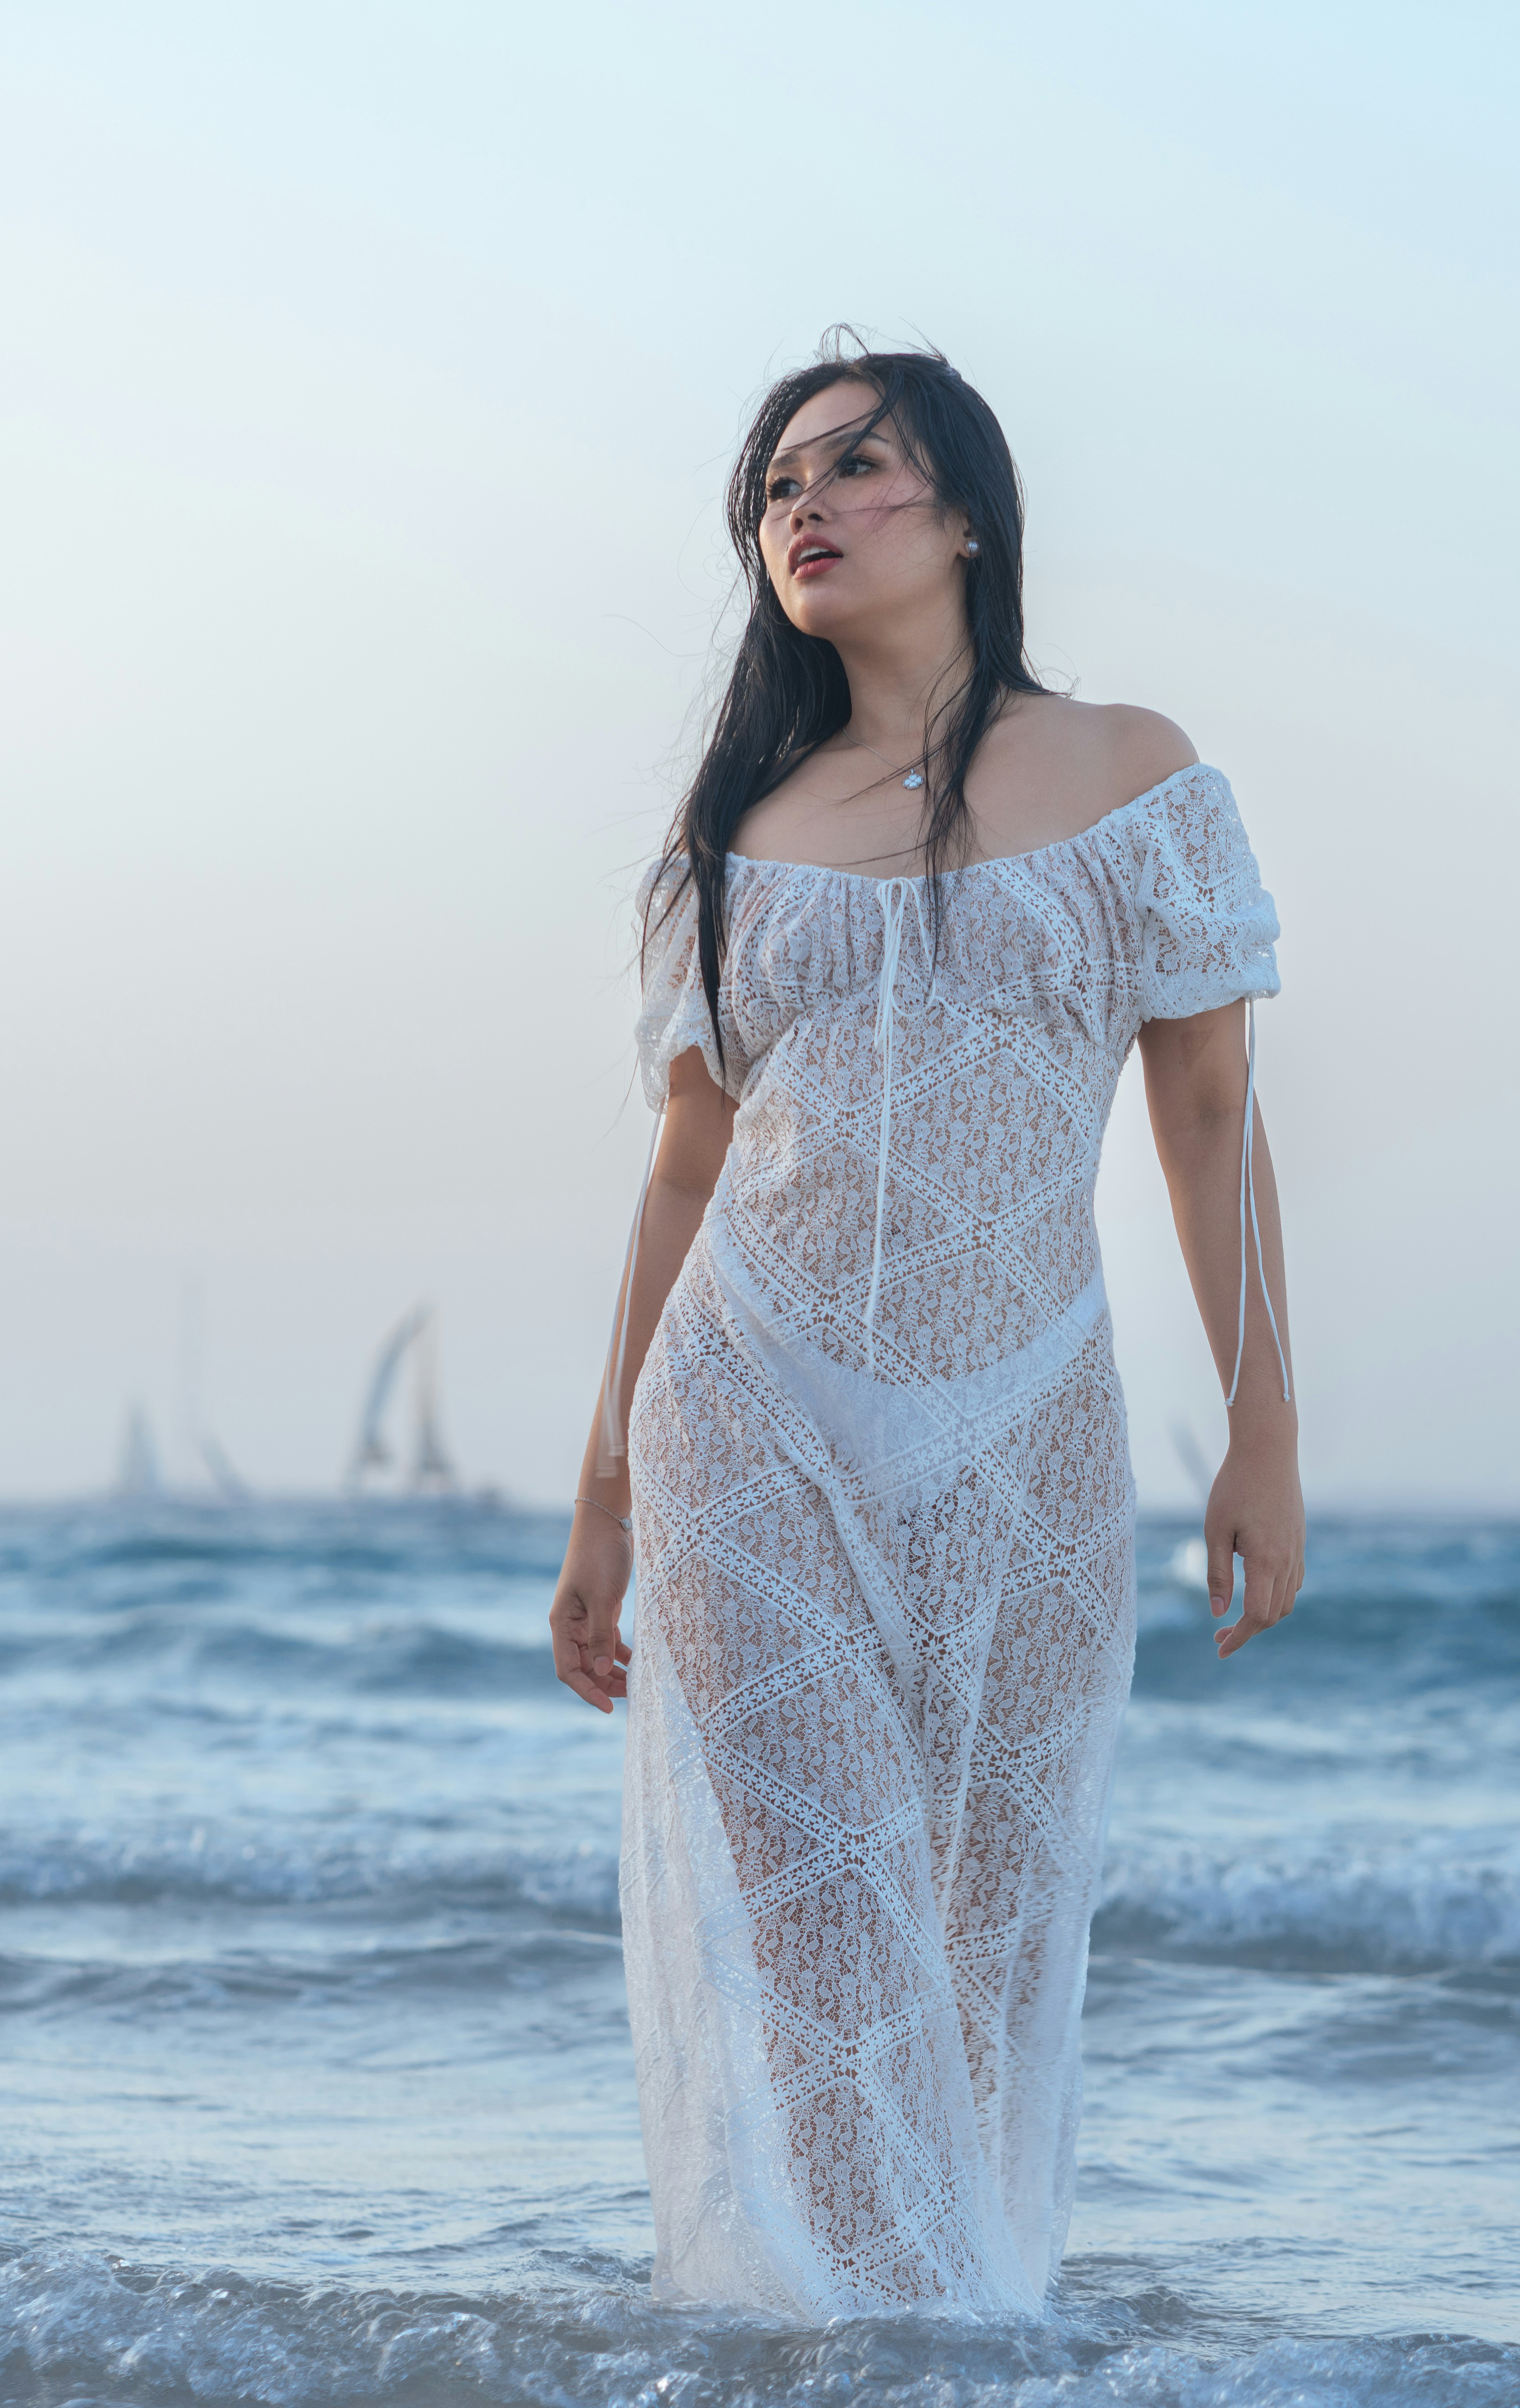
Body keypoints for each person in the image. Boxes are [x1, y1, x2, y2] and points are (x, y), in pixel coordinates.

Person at [546, 340, 1305, 2319]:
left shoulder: (1133, 775)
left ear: (965, 510)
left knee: (983, 1940)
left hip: (1029, 1417)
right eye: (775, 487)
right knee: (823, 1942)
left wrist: (1262, 1434)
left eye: (852, 467)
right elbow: (681, 1175)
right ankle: (917, 2365)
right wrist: (602, 1494)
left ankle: (941, 2324)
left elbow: (1210, 1120)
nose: (801, 507)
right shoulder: (730, 833)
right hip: (746, 1412)